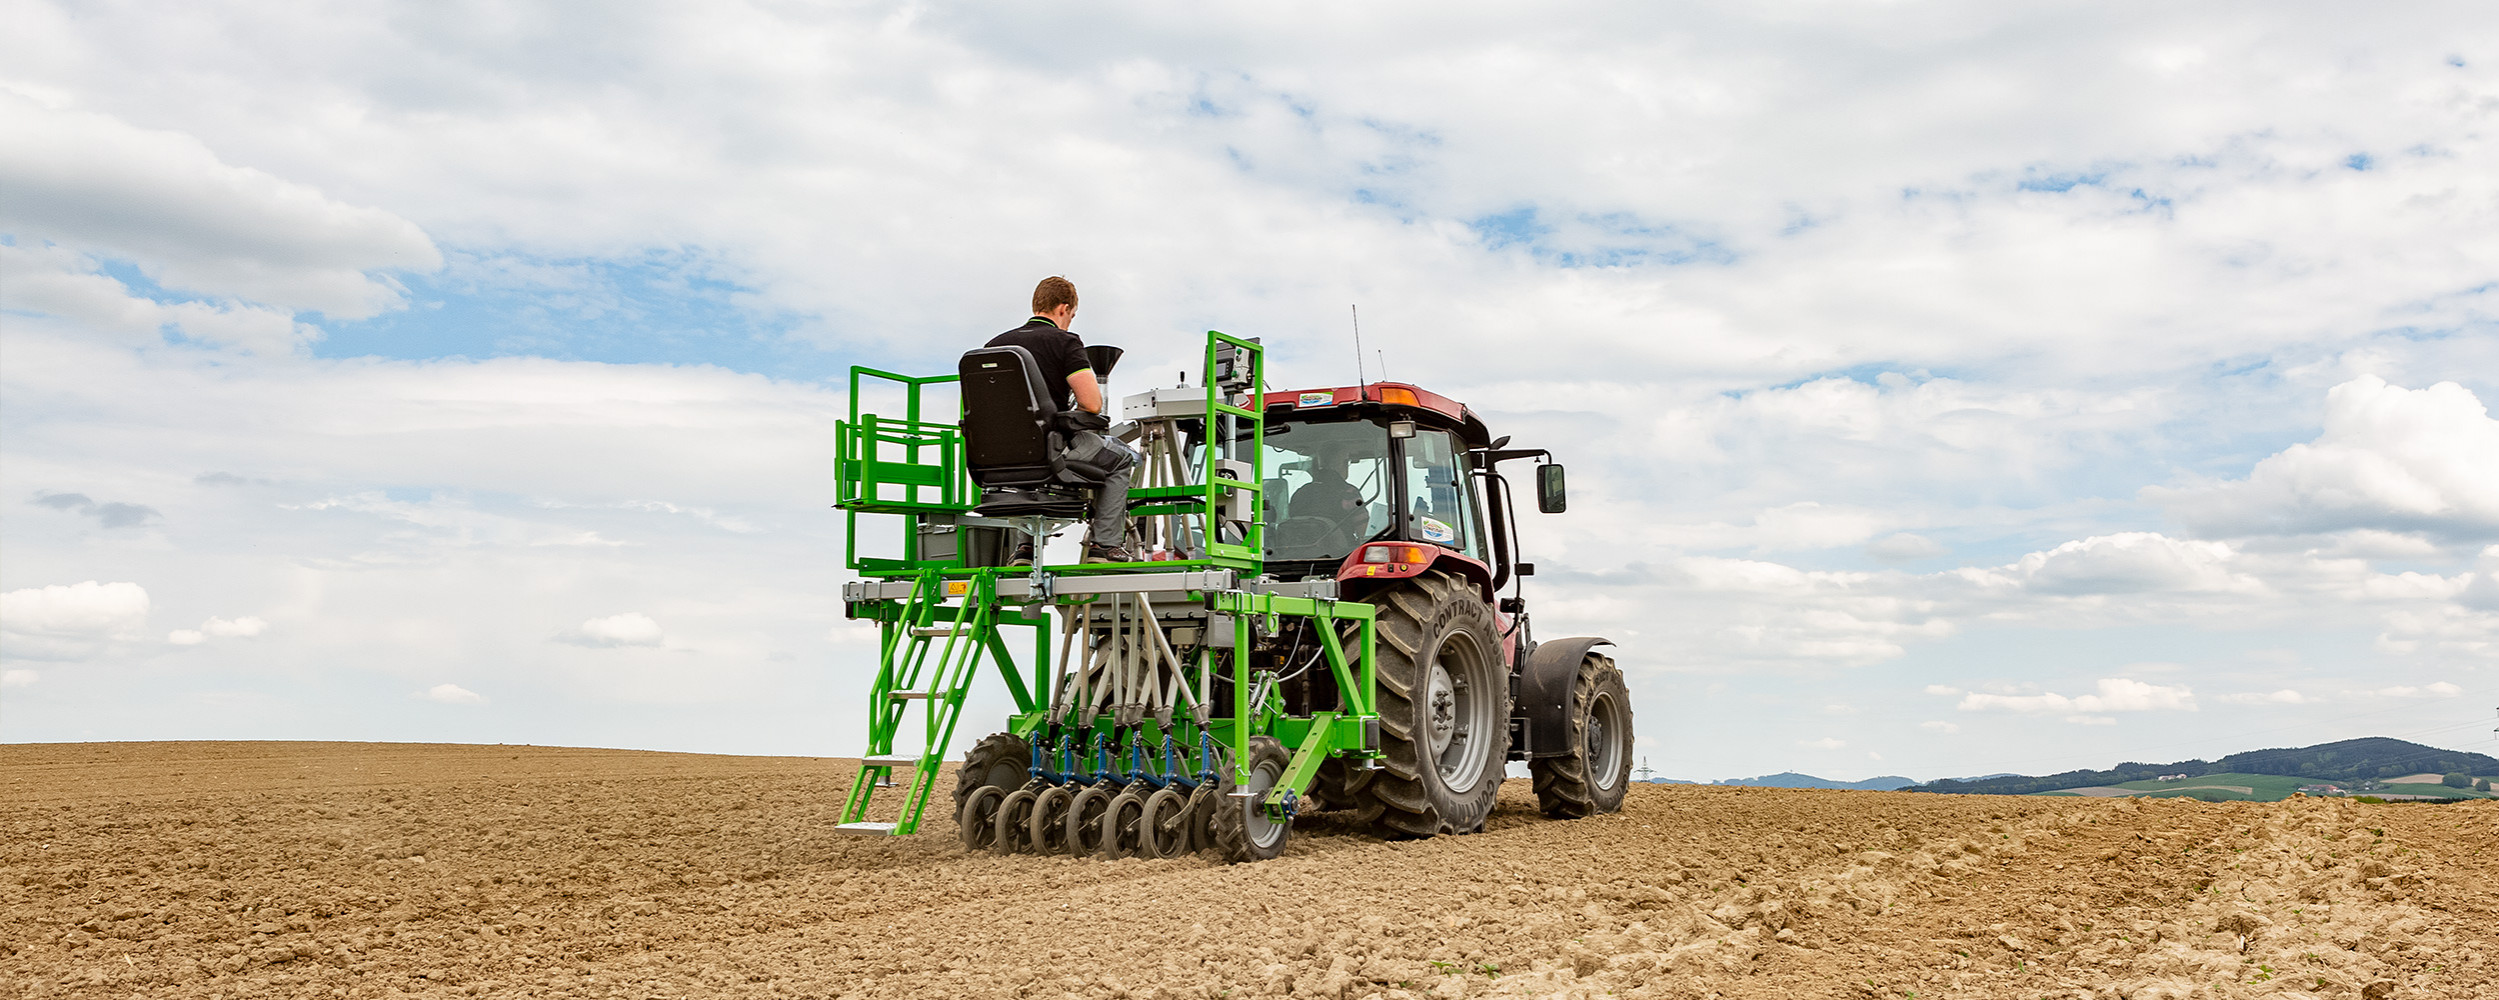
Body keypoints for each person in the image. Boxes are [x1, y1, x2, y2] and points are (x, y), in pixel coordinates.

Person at [985, 276, 1137, 563]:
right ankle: (1104, 545)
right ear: (1064, 309)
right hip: (1050, 449)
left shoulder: (994, 346)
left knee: (1030, 457)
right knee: (1120, 459)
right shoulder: (1065, 342)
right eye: (1072, 316)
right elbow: (1091, 403)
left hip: (998, 456)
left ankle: (1025, 548)